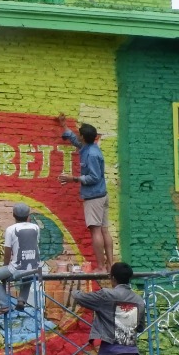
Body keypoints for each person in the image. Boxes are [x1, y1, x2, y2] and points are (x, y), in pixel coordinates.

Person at [56, 115, 113, 273]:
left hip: (94, 196)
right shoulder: (89, 147)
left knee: (96, 230)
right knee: (104, 230)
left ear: (84, 136)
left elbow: (94, 177)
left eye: (79, 133)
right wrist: (64, 126)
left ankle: (101, 267)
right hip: (101, 195)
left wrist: (72, 179)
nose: (77, 134)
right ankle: (110, 265)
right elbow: (75, 141)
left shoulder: (91, 154)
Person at [0, 202, 40, 314]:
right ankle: (21, 301)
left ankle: (4, 304)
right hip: (35, 268)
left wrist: (5, 266)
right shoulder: (36, 228)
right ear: (28, 215)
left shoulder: (11, 229)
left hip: (16, 267)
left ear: (13, 215)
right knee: (28, 272)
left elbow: (7, 252)